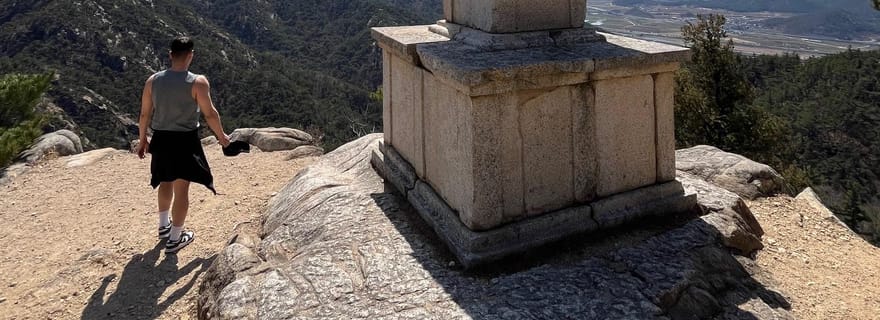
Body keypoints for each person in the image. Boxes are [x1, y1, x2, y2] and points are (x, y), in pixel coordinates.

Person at [137, 36, 231, 254]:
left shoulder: (152, 81)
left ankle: (163, 226)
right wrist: (222, 137)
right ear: (191, 55)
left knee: (164, 181)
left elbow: (144, 114)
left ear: (170, 55)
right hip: (185, 141)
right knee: (182, 189)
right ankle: (175, 238)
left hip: (160, 138)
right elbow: (210, 114)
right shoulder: (198, 82)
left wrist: (142, 140)